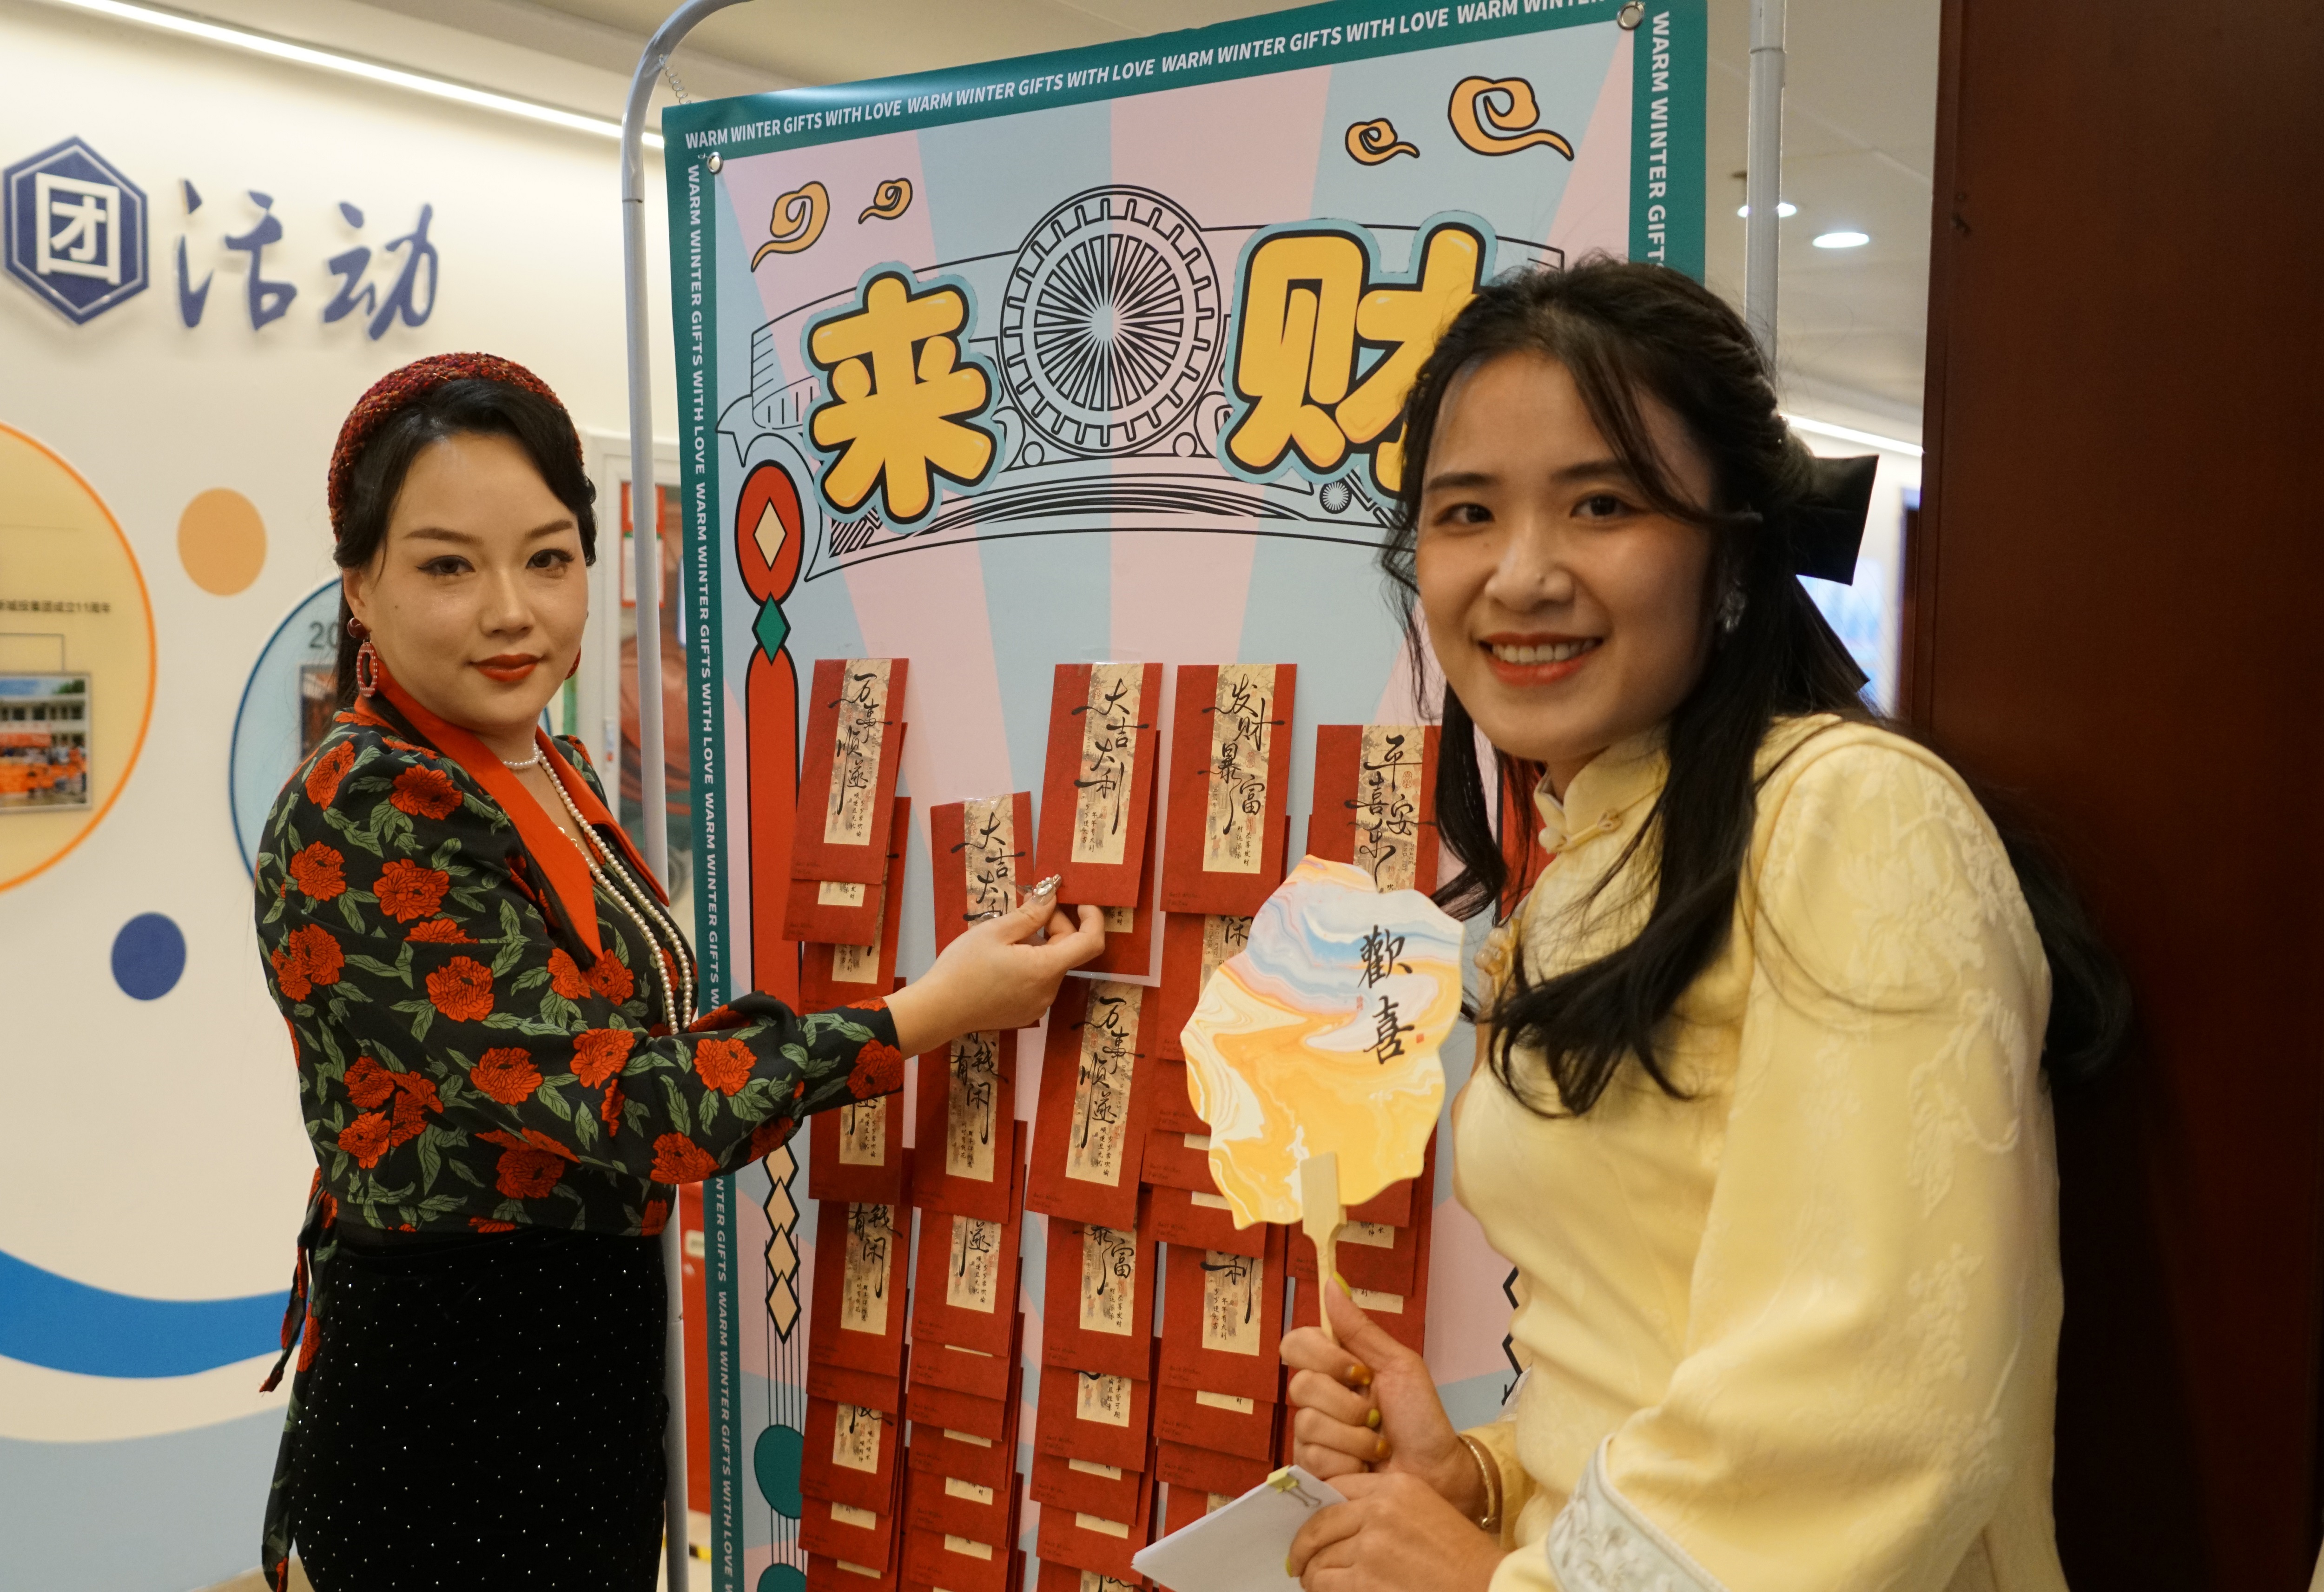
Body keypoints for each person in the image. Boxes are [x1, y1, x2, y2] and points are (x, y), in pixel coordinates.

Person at [1279, 261, 2126, 1592]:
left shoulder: (1846, 815)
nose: (1522, 575)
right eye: (1467, 513)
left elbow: (1869, 1400)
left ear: (1732, 553)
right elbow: (1654, 1348)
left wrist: (1501, 1585)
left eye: (1603, 504)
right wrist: (1483, 1479)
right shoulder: (1610, 847)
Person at [250, 353, 1104, 1592]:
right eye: (448, 566)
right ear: (361, 588)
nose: (512, 611)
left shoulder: (543, 762)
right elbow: (627, 1103)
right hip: (453, 1389)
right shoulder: (368, 807)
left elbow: (626, 1047)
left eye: (548, 558)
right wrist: (925, 1012)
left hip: (577, 1358)